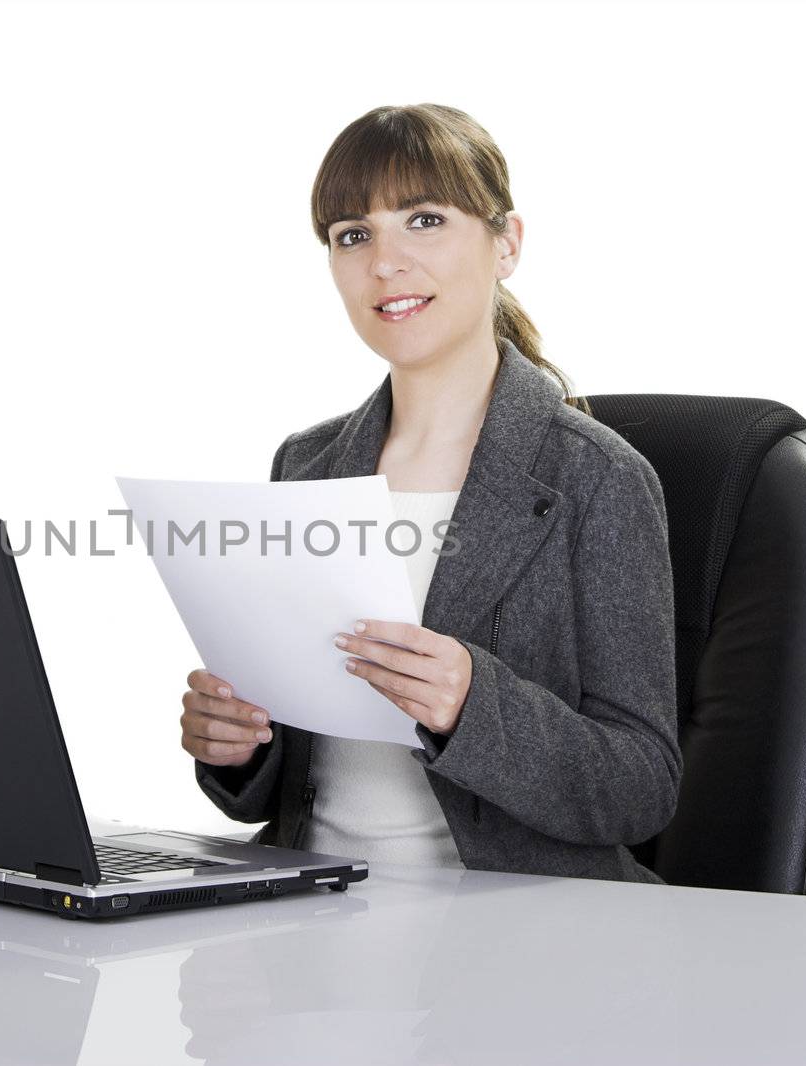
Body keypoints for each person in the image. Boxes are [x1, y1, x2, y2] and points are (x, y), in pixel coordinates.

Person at [176, 103, 682, 884]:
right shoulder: (306, 465)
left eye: (424, 220)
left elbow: (642, 788)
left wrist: (476, 706)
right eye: (353, 235)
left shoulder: (597, 479)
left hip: (509, 931)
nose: (385, 262)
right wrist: (238, 744)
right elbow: (282, 788)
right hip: (310, 910)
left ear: (506, 243)